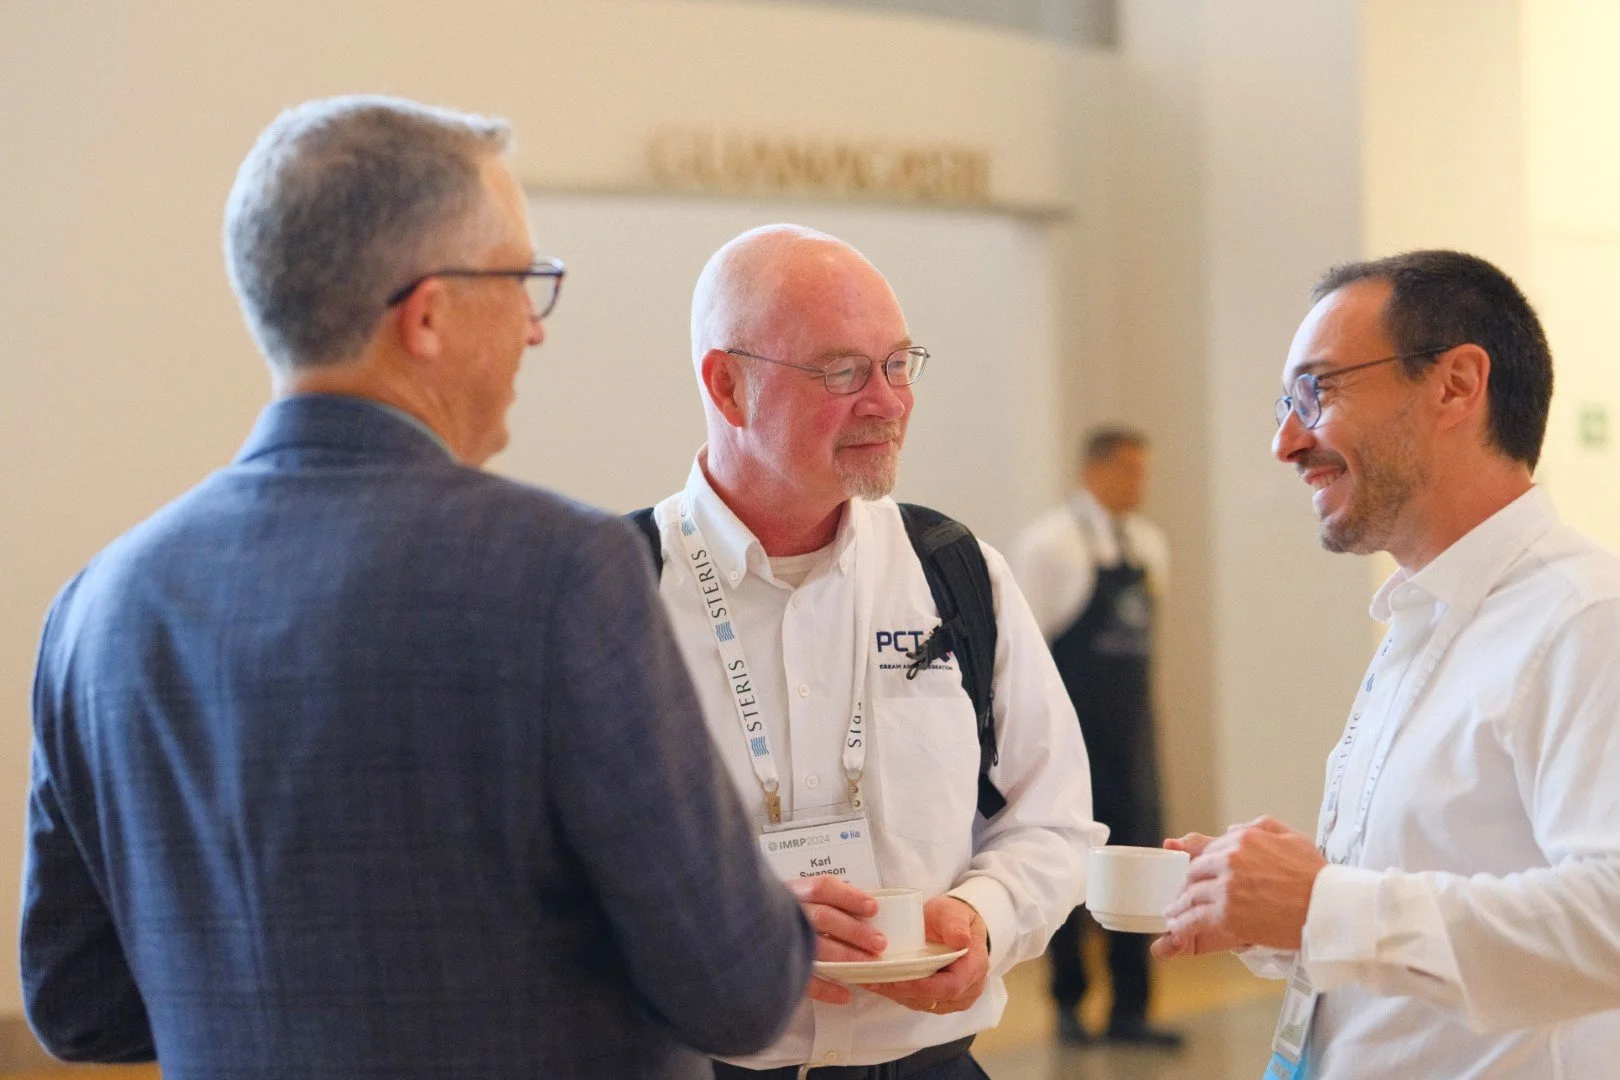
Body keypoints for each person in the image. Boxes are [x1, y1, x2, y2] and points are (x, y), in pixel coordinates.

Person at [20, 96, 811, 1080]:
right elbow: (737, 988)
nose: (535, 329)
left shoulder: (98, 608)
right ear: (427, 314)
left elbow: (75, 1005)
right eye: (523, 282)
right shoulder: (558, 571)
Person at [638, 223, 1104, 1079]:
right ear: (728, 385)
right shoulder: (614, 593)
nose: (888, 402)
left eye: (898, 364)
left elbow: (1056, 819)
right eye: (844, 371)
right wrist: (736, 929)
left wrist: (985, 917)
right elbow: (533, 877)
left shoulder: (958, 574)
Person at [1153, 250, 1620, 1078]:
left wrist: (1328, 905)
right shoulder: (1425, 615)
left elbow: (1611, 920)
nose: (1285, 441)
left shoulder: (1586, 618)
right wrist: (1271, 909)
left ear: (1456, 385)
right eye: (1285, 402)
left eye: (1317, 392)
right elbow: (1431, 896)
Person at [1009, 428, 1181, 1048]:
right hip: (1070, 744)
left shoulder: (1151, 547)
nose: (1139, 484)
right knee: (1066, 871)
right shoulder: (1050, 545)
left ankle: (1132, 1009)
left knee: (1141, 868)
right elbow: (1025, 655)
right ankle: (1068, 1006)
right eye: (1129, 470)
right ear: (1095, 470)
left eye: (1145, 471)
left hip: (1132, 739)